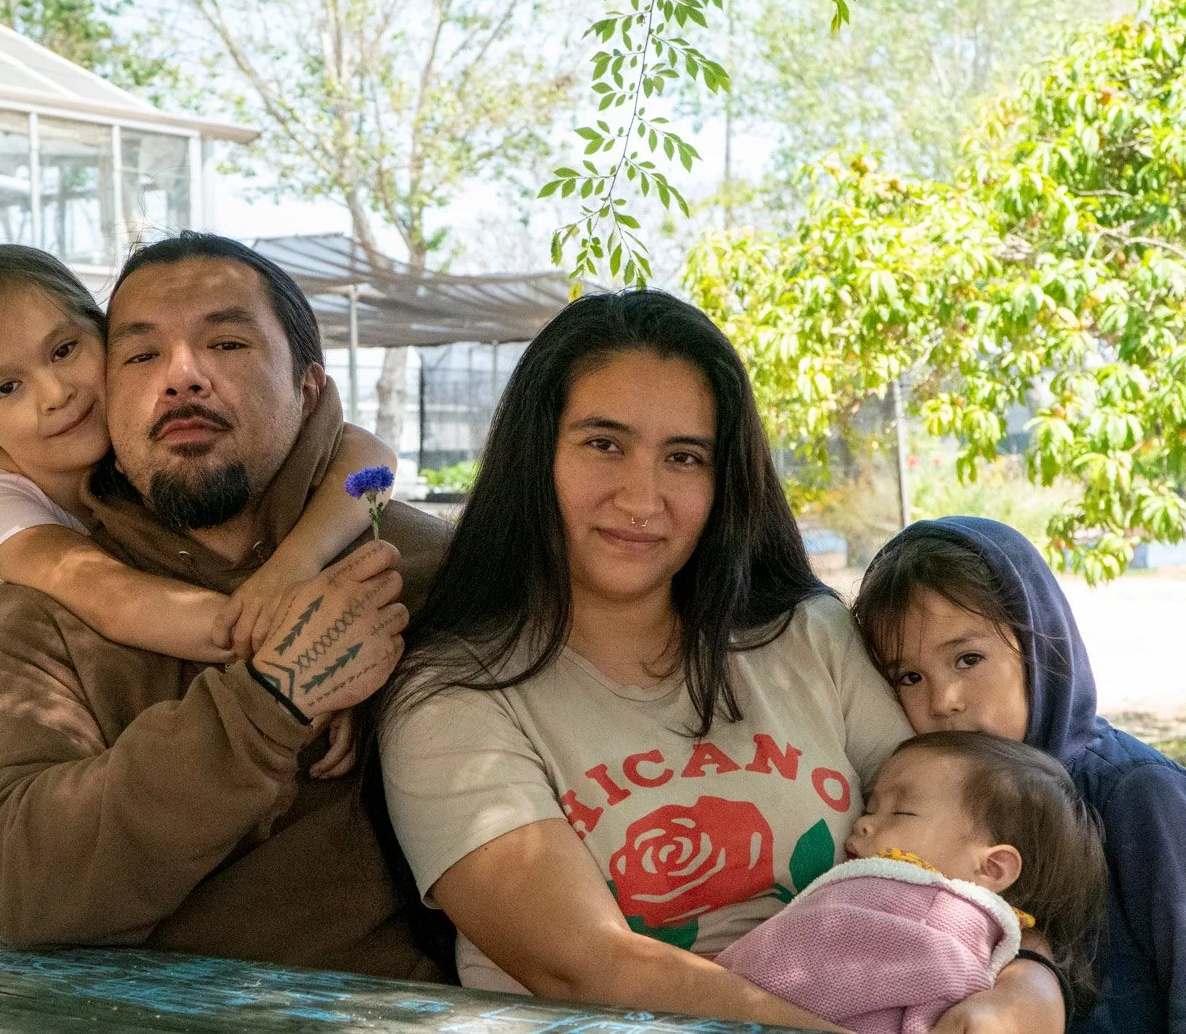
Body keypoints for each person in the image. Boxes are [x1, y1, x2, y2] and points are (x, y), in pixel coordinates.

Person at [378, 289, 1067, 1029]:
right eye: (604, 444)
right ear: (534, 455)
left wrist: (1028, 985)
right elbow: (582, 964)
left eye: (684, 457)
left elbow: (976, 837)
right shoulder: (454, 699)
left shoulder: (807, 636)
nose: (642, 497)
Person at [0, 232, 452, 979]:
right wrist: (274, 694)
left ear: (309, 386)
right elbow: (23, 882)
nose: (182, 376)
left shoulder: (440, 569)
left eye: (228, 343)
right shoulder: (42, 615)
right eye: (142, 355)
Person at [0, 244, 396, 780]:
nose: (55, 393)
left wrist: (295, 565)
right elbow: (117, 600)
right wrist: (306, 654)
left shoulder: (142, 433)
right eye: (7, 388)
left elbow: (367, 455)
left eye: (65, 350)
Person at [852, 516, 1186, 1034]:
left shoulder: (1139, 792)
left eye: (968, 659)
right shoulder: (919, 803)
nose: (943, 701)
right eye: (910, 676)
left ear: (1038, 647)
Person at [719, 731, 1107, 1034]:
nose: (863, 822)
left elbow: (777, 972)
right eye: (870, 807)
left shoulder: (929, 914)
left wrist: (714, 979)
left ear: (991, 868)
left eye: (901, 812)